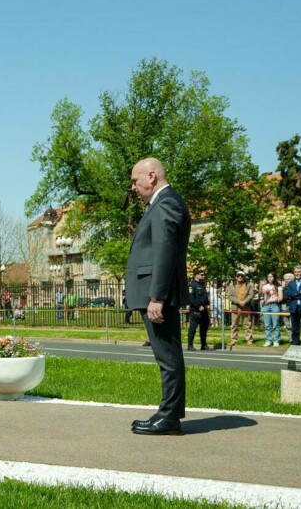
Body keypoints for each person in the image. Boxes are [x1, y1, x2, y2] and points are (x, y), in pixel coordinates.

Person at [126, 157, 190, 436]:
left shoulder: (166, 203)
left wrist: (157, 296)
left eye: (135, 180)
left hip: (158, 296)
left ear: (151, 176)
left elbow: (165, 252)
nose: (133, 186)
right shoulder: (163, 203)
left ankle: (169, 417)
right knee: (166, 356)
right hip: (157, 293)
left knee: (168, 357)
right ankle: (168, 414)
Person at [282, 265, 301, 346]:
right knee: (295, 329)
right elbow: (288, 293)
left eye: (299, 272)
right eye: (295, 272)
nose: (297, 273)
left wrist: (295, 294)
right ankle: (295, 344)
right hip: (294, 307)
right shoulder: (291, 283)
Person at [227, 271, 253, 349]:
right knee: (234, 324)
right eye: (238, 276)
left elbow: (251, 294)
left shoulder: (249, 285)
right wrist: (238, 302)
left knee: (247, 324)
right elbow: (229, 296)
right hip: (235, 306)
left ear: (244, 277)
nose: (240, 277)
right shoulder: (231, 285)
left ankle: (249, 340)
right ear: (236, 277)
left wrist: (245, 301)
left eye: (242, 276)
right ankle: (233, 340)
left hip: (246, 306)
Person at [186, 269, 210, 351]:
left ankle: (204, 344)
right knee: (193, 328)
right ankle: (190, 345)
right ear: (196, 275)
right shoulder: (192, 285)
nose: (203, 276)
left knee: (204, 328)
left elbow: (204, 297)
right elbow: (190, 298)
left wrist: (207, 304)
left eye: (204, 275)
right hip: (195, 310)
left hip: (204, 310)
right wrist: (198, 306)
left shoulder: (202, 285)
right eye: (201, 275)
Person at [259, 272, 282, 347]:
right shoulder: (265, 286)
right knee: (267, 325)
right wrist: (261, 286)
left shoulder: (278, 286)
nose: (269, 278)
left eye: (271, 276)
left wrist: (270, 300)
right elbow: (261, 295)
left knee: (275, 324)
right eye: (268, 277)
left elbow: (280, 298)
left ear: (274, 277)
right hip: (266, 306)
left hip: (274, 305)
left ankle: (276, 340)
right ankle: (268, 340)